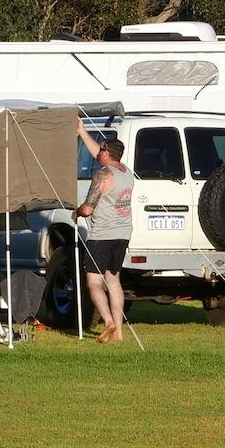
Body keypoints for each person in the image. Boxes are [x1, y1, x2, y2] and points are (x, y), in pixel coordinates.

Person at [73, 131, 134, 342]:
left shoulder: (102, 175)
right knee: (113, 280)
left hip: (102, 235)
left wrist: (76, 211)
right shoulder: (127, 172)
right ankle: (118, 332)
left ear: (107, 153)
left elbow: (88, 209)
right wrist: (81, 130)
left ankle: (107, 321)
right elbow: (98, 152)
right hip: (123, 233)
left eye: (102, 149)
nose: (99, 151)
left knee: (94, 282)